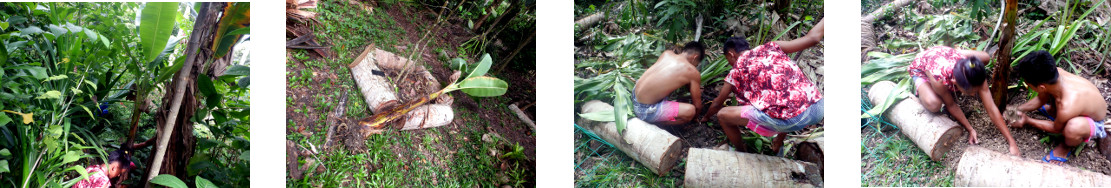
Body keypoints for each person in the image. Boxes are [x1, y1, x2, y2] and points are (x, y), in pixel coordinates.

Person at [701, 18, 824, 153]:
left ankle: (741, 151)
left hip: (791, 119)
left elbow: (717, 104)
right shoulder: (771, 47)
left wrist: (705, 118)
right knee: (783, 96)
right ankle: (778, 143)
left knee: (723, 115)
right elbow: (813, 38)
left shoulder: (735, 71)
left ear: (731, 54)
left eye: (728, 59)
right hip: (818, 107)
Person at [904, 44, 1021, 156]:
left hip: (946, 54)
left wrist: (1012, 142)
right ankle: (922, 88)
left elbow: (991, 108)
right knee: (934, 104)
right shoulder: (939, 80)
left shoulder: (978, 75)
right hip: (923, 67)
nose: (975, 94)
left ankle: (958, 59)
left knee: (985, 58)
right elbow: (951, 105)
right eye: (971, 92)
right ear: (954, 83)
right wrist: (970, 129)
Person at [1010, 50, 1107, 165]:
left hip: (1094, 121)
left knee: (1072, 128)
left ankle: (1066, 147)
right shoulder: (1056, 75)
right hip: (1078, 106)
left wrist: (1028, 120)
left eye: (1029, 85)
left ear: (1041, 87)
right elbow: (1042, 98)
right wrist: (1017, 109)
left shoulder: (1067, 106)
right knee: (1056, 100)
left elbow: (1056, 128)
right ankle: (1053, 112)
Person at [630, 41, 705, 125]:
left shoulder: (667, 54)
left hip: (634, 96)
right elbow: (697, 106)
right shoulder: (692, 71)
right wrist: (695, 119)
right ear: (695, 57)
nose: (695, 66)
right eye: (697, 64)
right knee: (690, 111)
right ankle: (658, 125)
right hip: (645, 111)